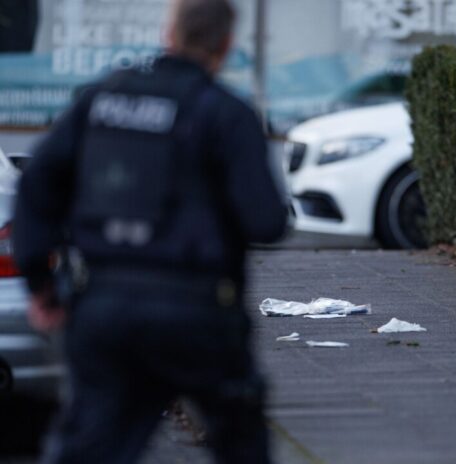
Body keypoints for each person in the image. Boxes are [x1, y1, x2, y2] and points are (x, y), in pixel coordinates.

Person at [12, 0, 287, 462]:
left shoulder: (101, 100)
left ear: (168, 35)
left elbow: (37, 187)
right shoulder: (226, 114)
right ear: (224, 45)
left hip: (103, 307)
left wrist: (40, 284)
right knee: (241, 440)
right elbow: (266, 221)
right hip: (197, 314)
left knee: (92, 443)